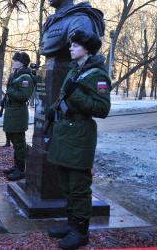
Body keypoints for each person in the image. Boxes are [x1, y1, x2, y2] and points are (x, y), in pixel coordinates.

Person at [46, 30, 111, 250]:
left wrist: (77, 95)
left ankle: (81, 232)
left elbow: (102, 109)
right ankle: (72, 225)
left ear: (87, 49)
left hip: (81, 135)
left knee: (79, 187)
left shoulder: (97, 75)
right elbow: (65, 96)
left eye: (75, 45)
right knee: (65, 184)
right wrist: (53, 109)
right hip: (65, 132)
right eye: (71, 45)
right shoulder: (75, 69)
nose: (71, 48)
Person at [1, 52, 35, 181]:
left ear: (22, 62)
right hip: (12, 112)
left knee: (19, 143)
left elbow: (24, 96)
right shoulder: (16, 74)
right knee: (15, 143)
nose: (13, 62)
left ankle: (21, 170)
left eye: (15, 60)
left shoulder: (26, 77)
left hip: (18, 114)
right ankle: (16, 166)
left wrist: (9, 91)